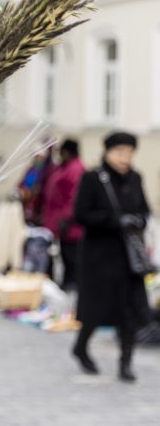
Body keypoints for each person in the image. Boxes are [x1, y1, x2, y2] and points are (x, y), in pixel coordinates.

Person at [71, 131, 151, 382]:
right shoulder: (93, 178)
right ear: (107, 152)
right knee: (97, 311)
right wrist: (115, 221)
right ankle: (81, 347)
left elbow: (145, 209)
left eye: (129, 153)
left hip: (129, 259)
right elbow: (81, 214)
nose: (124, 158)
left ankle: (125, 363)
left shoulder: (136, 177)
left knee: (129, 311)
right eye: (119, 152)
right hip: (99, 257)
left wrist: (140, 219)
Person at [41, 139, 85, 290]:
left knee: (71, 258)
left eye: (62, 151)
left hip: (71, 226)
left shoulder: (76, 169)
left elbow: (74, 197)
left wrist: (66, 218)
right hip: (59, 222)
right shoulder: (65, 167)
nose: (60, 154)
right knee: (63, 256)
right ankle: (66, 283)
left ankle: (71, 285)